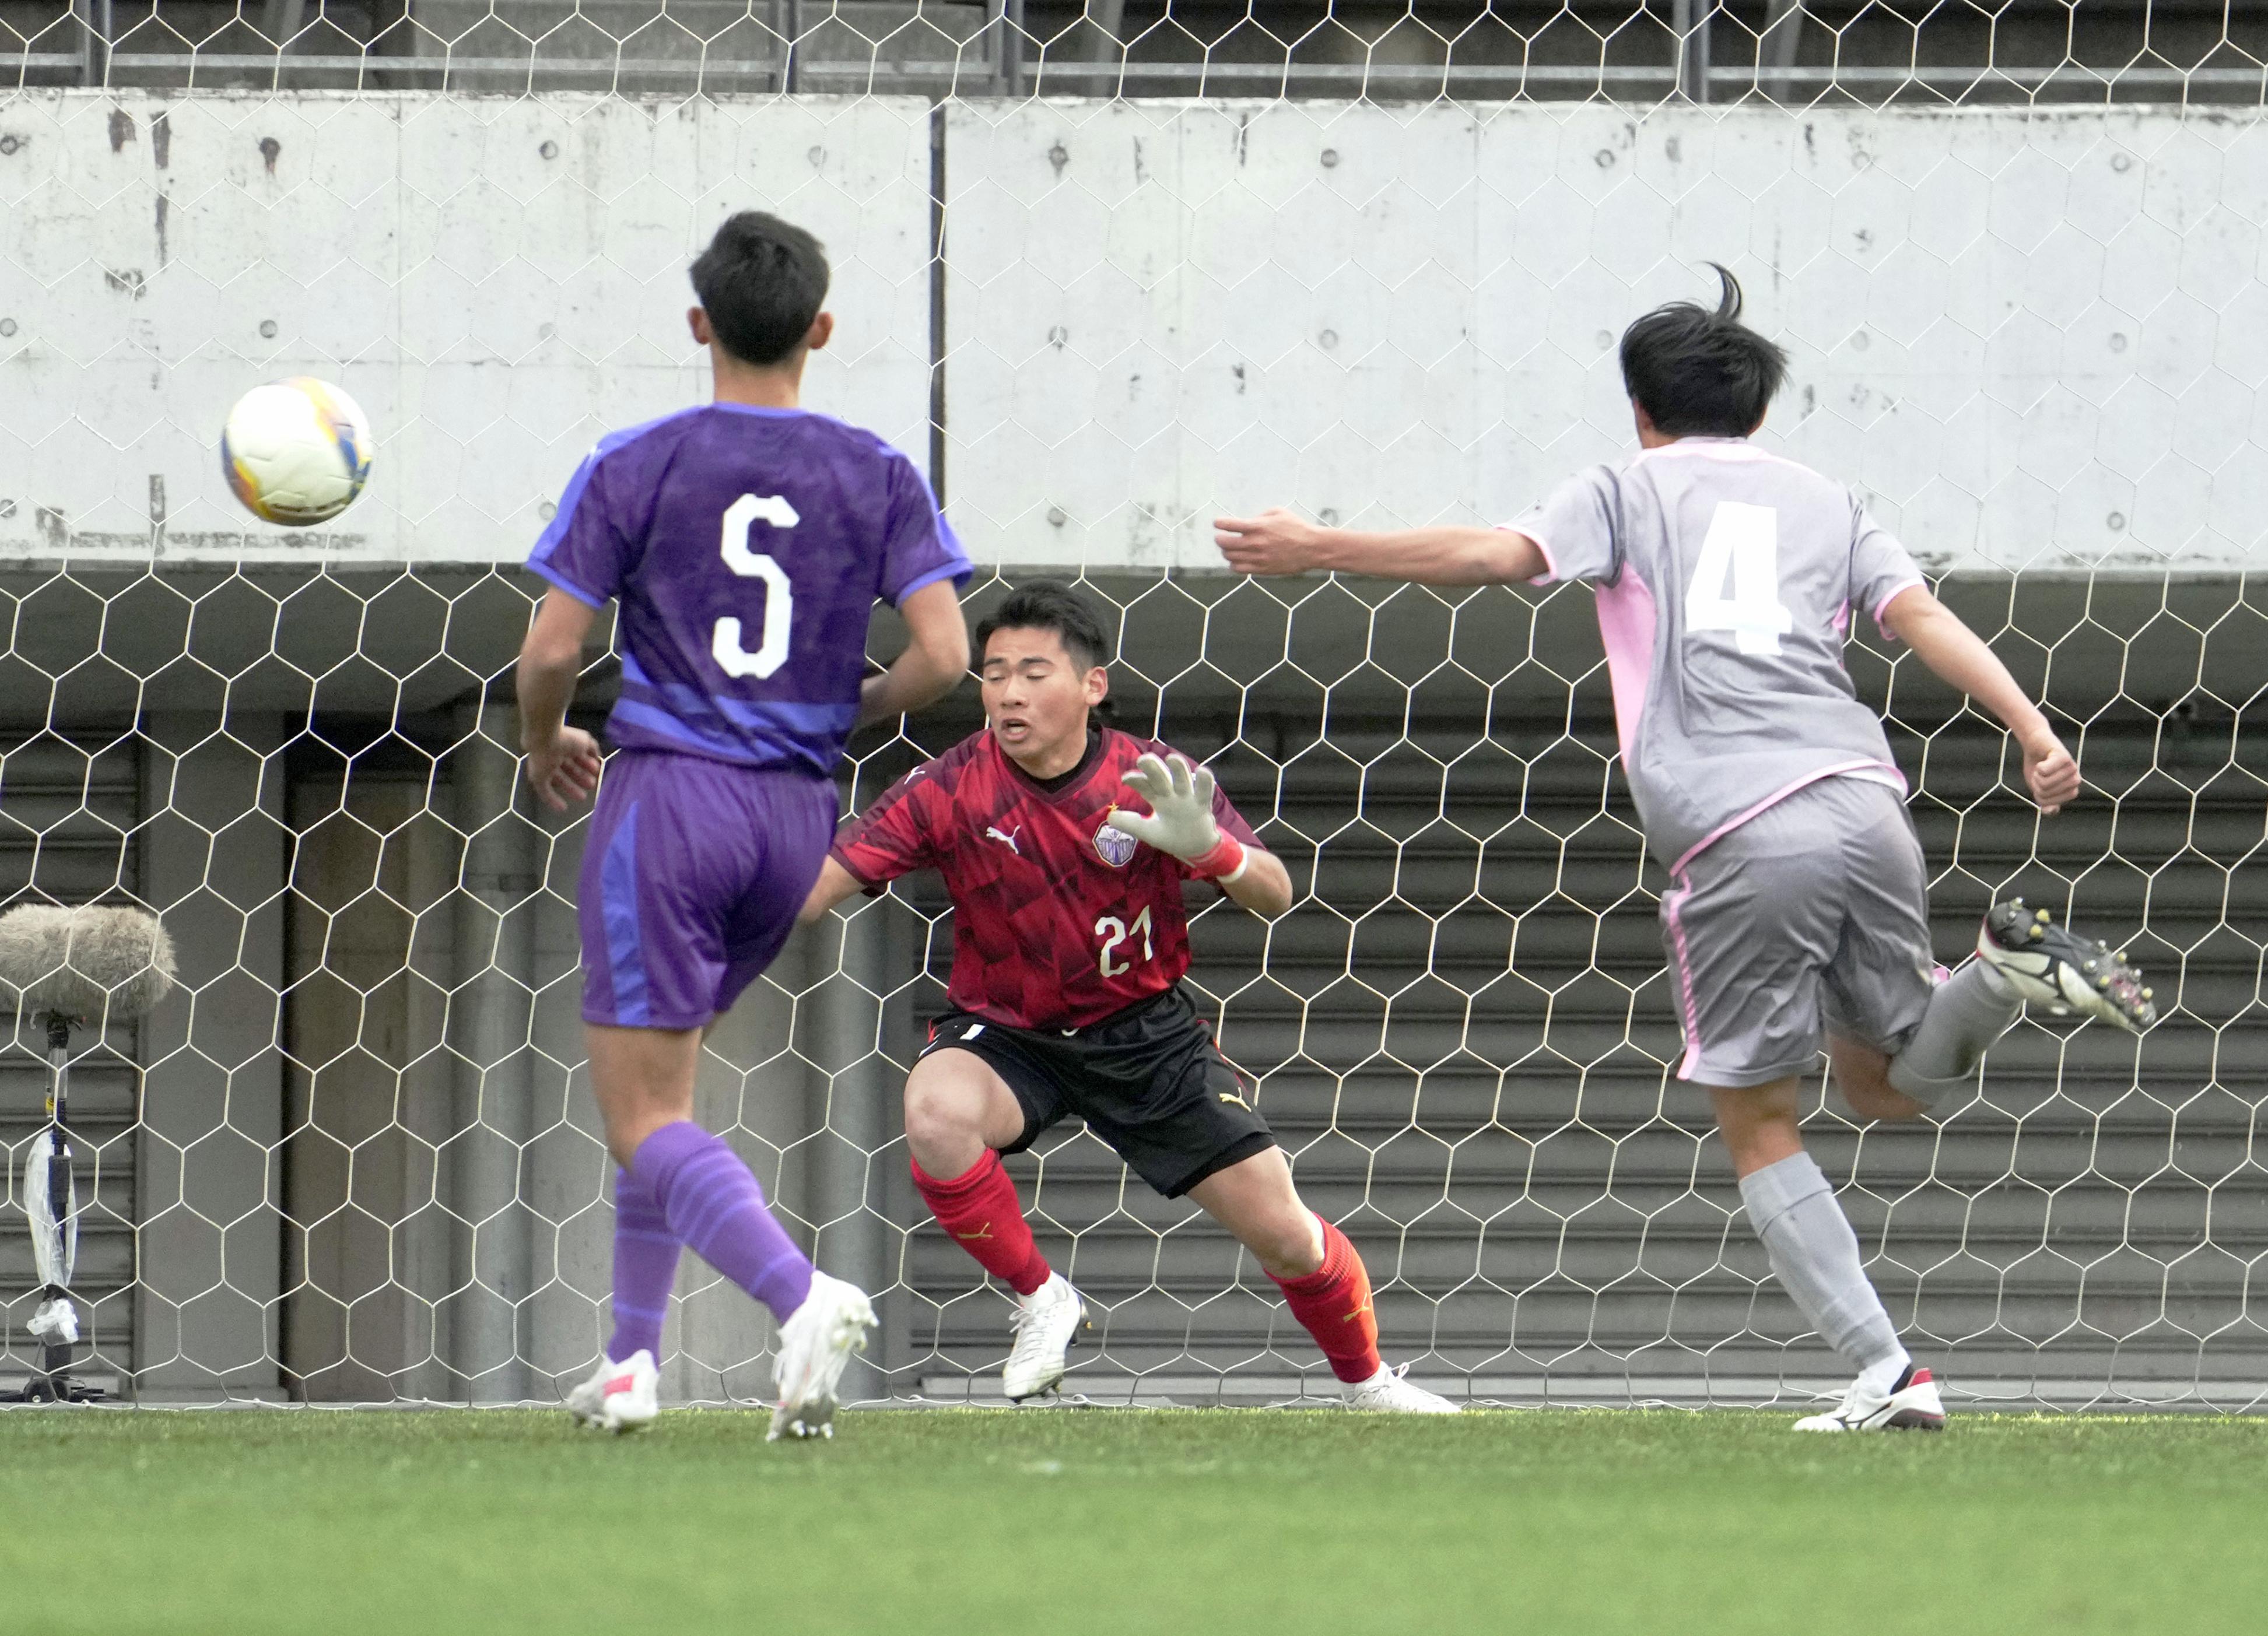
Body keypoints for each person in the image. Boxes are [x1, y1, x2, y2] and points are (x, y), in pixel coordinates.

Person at [1214, 265, 2155, 1432]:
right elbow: (1922, 619)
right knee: (1885, 1084)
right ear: (1758, 409)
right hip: (1866, 803)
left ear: (1639, 407)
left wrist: (1320, 545)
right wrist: (2030, 725)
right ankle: (2000, 977)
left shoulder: (1625, 486)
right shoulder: (1829, 499)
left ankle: (1888, 1372)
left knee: (1761, 1120)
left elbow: (1499, 556)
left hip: (1740, 827)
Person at [517, 210, 973, 1440]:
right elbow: (944, 654)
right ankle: (626, 1362)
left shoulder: (638, 458)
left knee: (642, 1112)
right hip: (796, 813)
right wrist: (846, 704)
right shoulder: (876, 469)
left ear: (697, 323)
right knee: (665, 1099)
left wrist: (542, 734)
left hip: (671, 798)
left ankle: (802, 1292)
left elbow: (552, 647)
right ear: (820, 329)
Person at [801, 581, 1458, 1412]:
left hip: (1144, 1035)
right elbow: (815, 886)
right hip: (1007, 1034)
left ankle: (1369, 1384)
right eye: (994, 672)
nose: (1007, 691)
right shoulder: (946, 786)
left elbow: (1274, 892)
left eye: (1033, 672)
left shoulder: (1148, 778)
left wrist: (1212, 849)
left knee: (1285, 1231)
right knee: (934, 1112)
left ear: (1091, 686)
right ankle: (1041, 1296)